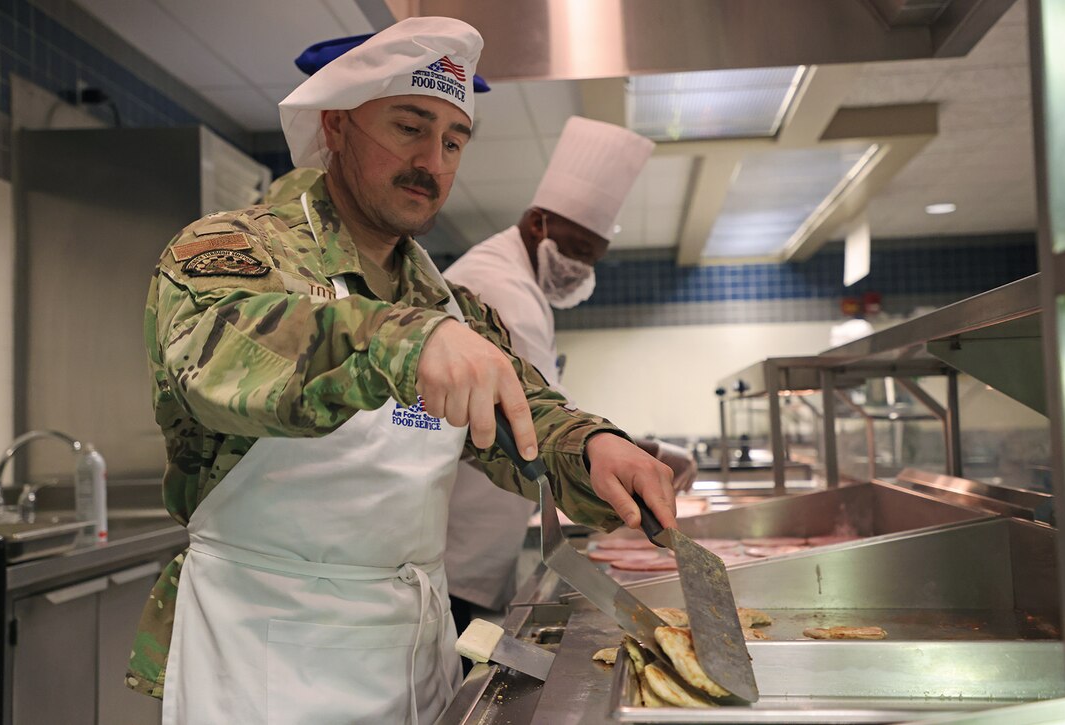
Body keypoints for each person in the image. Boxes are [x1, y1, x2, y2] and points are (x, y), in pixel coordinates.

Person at [126, 16, 677, 725]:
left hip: (413, 660)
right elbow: (219, 359)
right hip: (266, 659)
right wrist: (404, 342)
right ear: (336, 125)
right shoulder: (233, 251)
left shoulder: (452, 304)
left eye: (453, 140)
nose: (433, 162)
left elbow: (529, 414)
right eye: (409, 127)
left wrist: (595, 448)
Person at [442, 116, 699, 637]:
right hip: (458, 529)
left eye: (592, 257)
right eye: (577, 249)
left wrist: (633, 446)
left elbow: (548, 404)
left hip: (479, 522)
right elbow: (539, 424)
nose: (581, 267)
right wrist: (627, 453)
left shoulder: (519, 279)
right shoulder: (501, 287)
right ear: (539, 223)